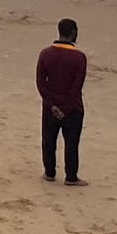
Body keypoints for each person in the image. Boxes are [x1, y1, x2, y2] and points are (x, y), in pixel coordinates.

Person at [36, 18, 88, 186]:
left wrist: (51, 105)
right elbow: (77, 87)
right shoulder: (79, 58)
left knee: (49, 140)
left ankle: (49, 172)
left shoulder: (45, 54)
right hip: (72, 108)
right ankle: (71, 176)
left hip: (50, 106)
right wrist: (66, 108)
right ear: (73, 32)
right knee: (72, 143)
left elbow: (41, 83)